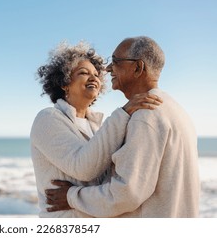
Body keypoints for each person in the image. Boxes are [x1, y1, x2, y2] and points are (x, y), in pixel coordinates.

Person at [45, 36, 200, 217]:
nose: (108, 68)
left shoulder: (145, 114)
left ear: (137, 67)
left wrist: (71, 196)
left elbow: (126, 194)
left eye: (116, 61)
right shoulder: (176, 110)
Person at [30, 40, 162, 217]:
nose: (94, 78)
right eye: (83, 73)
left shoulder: (97, 125)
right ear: (64, 83)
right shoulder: (48, 119)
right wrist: (123, 112)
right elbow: (83, 168)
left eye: (96, 74)